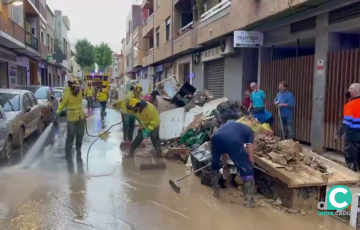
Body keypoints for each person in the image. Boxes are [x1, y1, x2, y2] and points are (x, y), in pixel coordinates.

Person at [210, 120, 256, 207]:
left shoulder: (229, 124)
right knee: (246, 169)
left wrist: (225, 165)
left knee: (214, 164)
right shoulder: (250, 131)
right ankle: (248, 201)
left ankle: (215, 191)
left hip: (215, 138)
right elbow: (250, 149)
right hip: (233, 141)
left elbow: (224, 150)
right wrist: (251, 164)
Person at [56, 81, 85, 164]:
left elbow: (80, 104)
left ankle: (78, 149)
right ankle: (68, 151)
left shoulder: (80, 93)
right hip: (72, 118)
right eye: (77, 88)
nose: (78, 89)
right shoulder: (67, 95)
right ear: (72, 88)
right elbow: (62, 105)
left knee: (80, 134)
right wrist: (58, 111)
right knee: (71, 134)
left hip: (80, 116)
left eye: (79, 88)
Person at [336, 83, 360, 172]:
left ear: (353, 92)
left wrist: (339, 134)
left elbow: (347, 122)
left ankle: (352, 178)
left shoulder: (350, 105)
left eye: (350, 89)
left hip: (352, 137)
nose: (348, 91)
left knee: (351, 160)